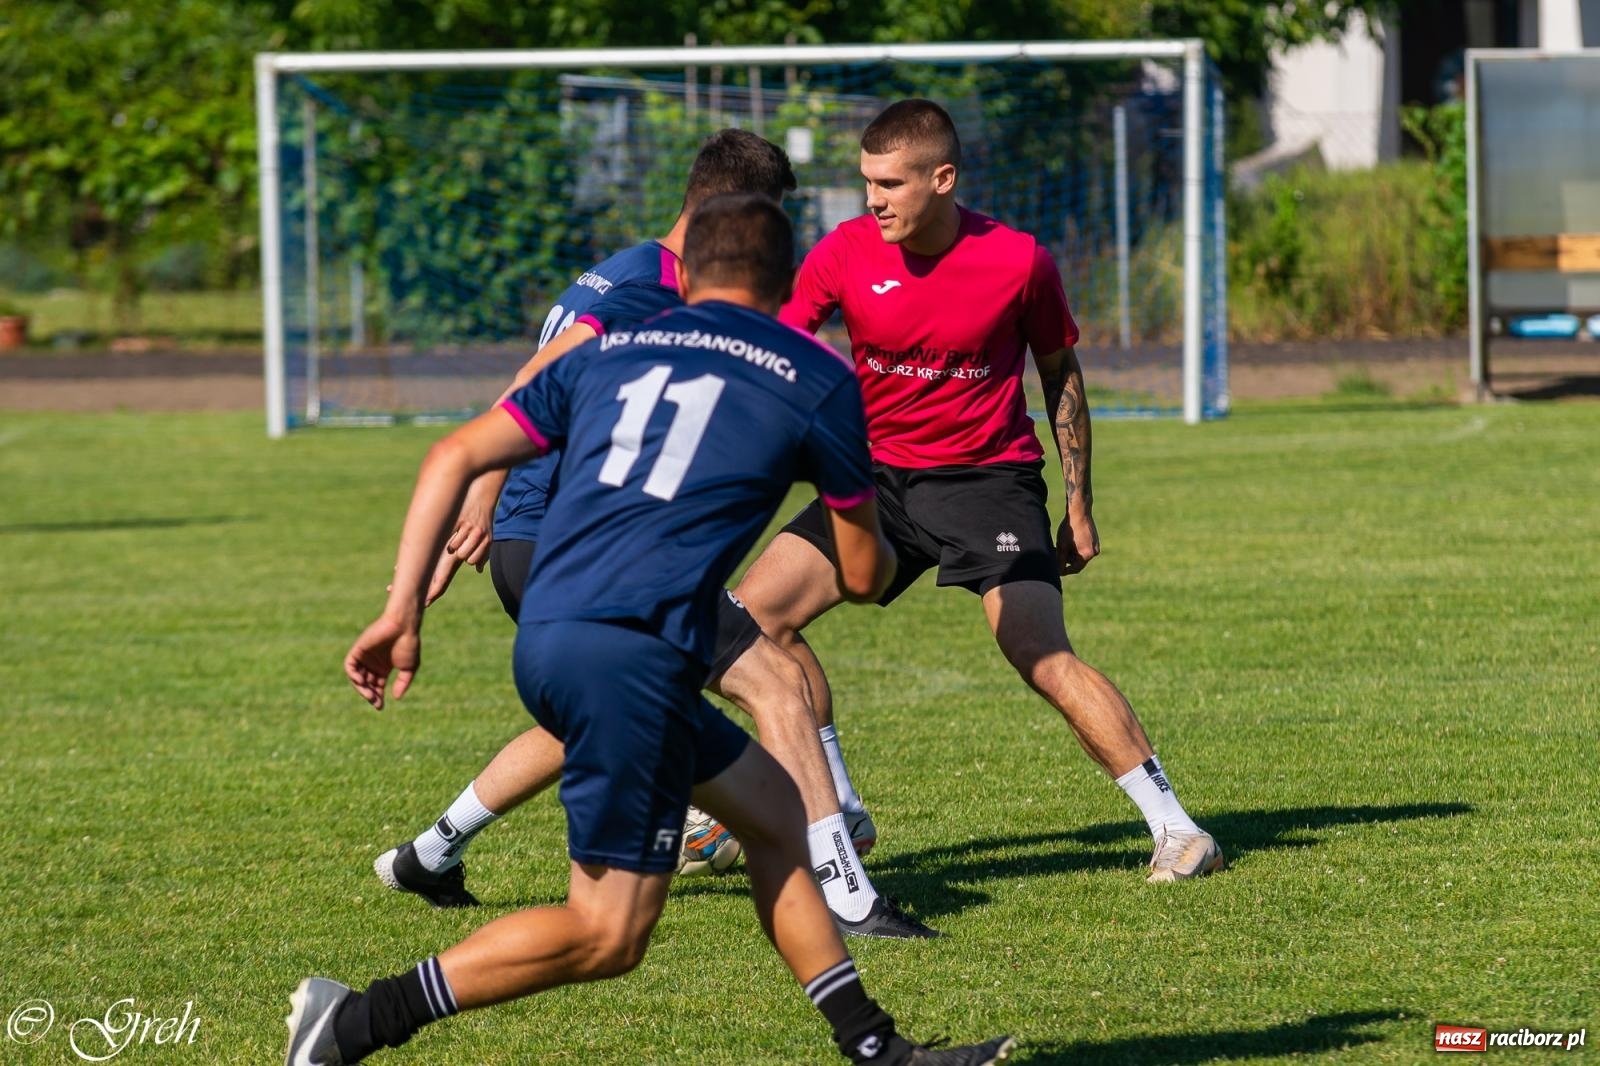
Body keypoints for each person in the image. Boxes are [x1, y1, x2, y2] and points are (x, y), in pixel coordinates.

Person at [287, 194, 1011, 1066]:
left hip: (554, 625)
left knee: (776, 813)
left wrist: (401, 610)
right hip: (629, 651)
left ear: (686, 273)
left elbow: (454, 453)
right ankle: (354, 1022)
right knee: (607, 933)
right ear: (786, 283)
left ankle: (875, 1048)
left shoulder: (613, 342)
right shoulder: (812, 375)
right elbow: (862, 577)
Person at [377, 129, 932, 938]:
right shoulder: (658, 288)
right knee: (774, 681)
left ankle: (430, 853)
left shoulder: (629, 267)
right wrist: (486, 489)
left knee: (597, 714)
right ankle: (846, 893)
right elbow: (536, 381)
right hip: (585, 540)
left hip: (556, 540)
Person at [731, 99, 1223, 883]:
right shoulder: (843, 252)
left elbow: (1060, 375)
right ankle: (841, 808)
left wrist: (1079, 504)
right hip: (879, 484)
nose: (873, 200)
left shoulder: (1020, 261)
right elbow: (779, 352)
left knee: (1039, 653)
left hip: (988, 483)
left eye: (890, 183)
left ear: (943, 178)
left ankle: (1179, 830)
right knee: (750, 621)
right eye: (866, 182)